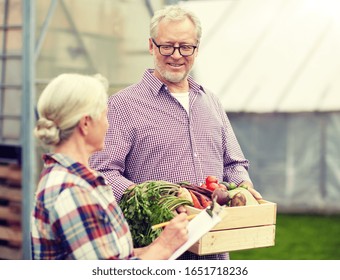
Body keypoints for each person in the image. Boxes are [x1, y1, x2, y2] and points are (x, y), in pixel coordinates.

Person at [90, 5, 262, 260]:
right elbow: (102, 173)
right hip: (157, 251)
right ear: (151, 46)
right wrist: (155, 200)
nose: (176, 55)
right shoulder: (122, 105)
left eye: (186, 47)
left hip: (214, 252)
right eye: (167, 46)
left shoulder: (211, 102)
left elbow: (234, 163)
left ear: (196, 48)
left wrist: (243, 186)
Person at [31, 73, 189, 260]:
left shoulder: (75, 179)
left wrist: (153, 247)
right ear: (86, 123)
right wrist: (165, 246)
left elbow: (111, 256)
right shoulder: (74, 191)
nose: (108, 125)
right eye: (105, 115)